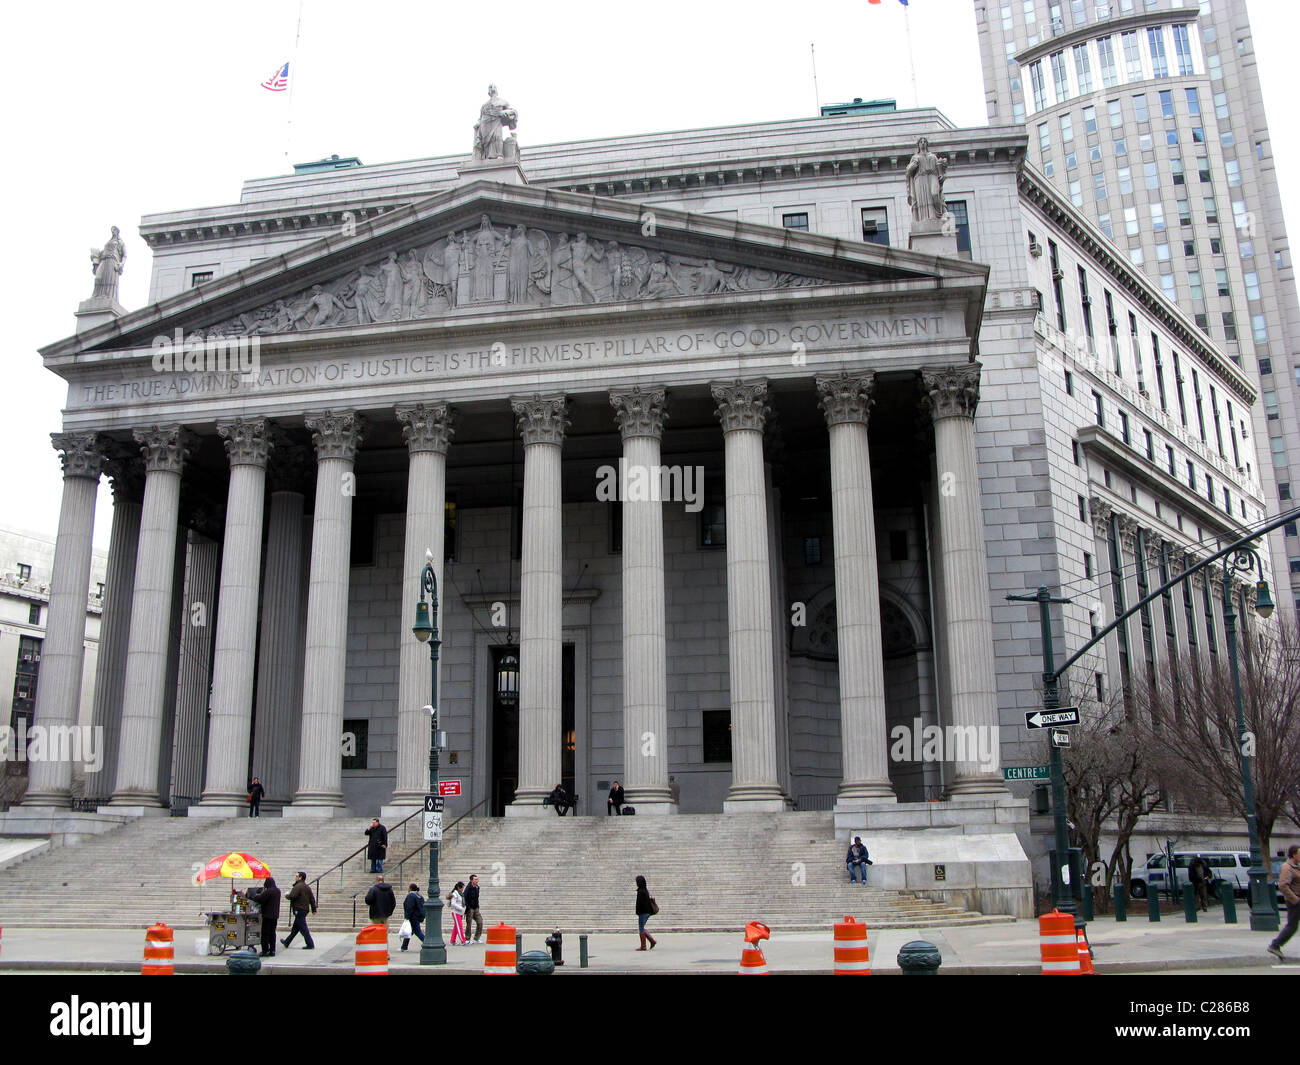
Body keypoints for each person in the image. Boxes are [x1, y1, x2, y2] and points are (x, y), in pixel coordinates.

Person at [1268, 844, 1300, 960]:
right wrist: (1295, 900)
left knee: (1292, 926)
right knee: (1292, 926)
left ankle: (1275, 945)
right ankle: (1275, 945)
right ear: (1294, 855)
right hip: (1295, 902)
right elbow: (1283, 886)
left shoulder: (1296, 867)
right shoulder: (1287, 867)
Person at [244, 876, 280, 957]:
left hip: (267, 915)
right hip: (275, 915)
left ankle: (265, 950)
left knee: (265, 933)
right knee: (272, 933)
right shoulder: (278, 891)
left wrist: (252, 896)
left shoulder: (269, 891)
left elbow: (260, 899)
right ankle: (272, 950)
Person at [281, 871, 316, 950]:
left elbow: (292, 896)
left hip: (299, 909)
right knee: (295, 928)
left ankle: (310, 944)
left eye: (297, 876)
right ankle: (287, 942)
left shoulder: (298, 886)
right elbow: (312, 899)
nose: (295, 877)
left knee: (303, 928)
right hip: (304, 909)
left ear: (300, 877)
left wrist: (287, 895)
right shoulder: (307, 887)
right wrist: (313, 909)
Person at [400, 883, 426, 951]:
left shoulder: (411, 895)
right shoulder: (419, 896)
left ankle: (427, 943)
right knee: (410, 931)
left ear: (410, 888)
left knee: (417, 931)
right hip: (418, 915)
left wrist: (407, 916)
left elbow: (409, 907)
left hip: (413, 916)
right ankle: (404, 947)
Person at [635, 874, 657, 950]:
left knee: (641, 928)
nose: (636, 883)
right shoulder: (645, 890)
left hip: (643, 912)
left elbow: (640, 903)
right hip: (647, 912)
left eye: (637, 881)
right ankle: (652, 941)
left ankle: (643, 946)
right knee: (642, 927)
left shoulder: (641, 891)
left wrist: (638, 912)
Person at [463, 874, 483, 943]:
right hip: (470, 908)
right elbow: (464, 898)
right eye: (475, 879)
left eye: (477, 879)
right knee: (469, 924)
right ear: (471, 880)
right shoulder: (468, 888)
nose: (477, 881)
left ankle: (476, 938)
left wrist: (477, 906)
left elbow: (477, 898)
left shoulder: (477, 887)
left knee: (480, 922)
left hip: (476, 908)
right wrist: (468, 907)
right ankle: (467, 939)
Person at [448, 881, 468, 945]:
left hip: (460, 912)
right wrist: (461, 908)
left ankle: (452, 940)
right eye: (462, 888)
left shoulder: (460, 894)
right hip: (456, 912)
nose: (463, 889)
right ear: (459, 888)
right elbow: (453, 903)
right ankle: (463, 940)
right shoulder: (455, 894)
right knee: (459, 926)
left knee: (456, 927)